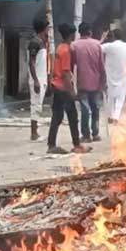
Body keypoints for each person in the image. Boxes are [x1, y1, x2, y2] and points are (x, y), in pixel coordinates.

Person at [48, 23, 92, 155]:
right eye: (74, 33)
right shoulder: (66, 50)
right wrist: (72, 92)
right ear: (70, 35)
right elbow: (66, 73)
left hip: (56, 85)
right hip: (63, 88)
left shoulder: (60, 47)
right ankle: (76, 145)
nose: (75, 35)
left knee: (57, 116)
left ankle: (51, 145)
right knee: (72, 117)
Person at [71, 22, 105, 143]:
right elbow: (102, 67)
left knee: (85, 109)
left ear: (79, 33)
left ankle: (86, 135)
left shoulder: (74, 45)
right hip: (96, 83)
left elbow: (71, 66)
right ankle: (95, 133)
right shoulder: (97, 45)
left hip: (82, 83)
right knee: (95, 108)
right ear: (90, 32)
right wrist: (103, 83)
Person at [28, 17, 51, 141]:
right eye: (47, 28)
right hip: (37, 79)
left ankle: (35, 132)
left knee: (38, 105)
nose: (49, 30)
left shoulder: (42, 42)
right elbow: (31, 63)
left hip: (42, 78)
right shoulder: (35, 42)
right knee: (35, 105)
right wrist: (36, 80)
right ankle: (33, 133)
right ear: (43, 29)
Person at [103, 27, 126, 124]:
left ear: (113, 36)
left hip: (111, 76)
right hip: (123, 75)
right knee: (121, 97)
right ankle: (116, 116)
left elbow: (97, 48)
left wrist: (103, 38)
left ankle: (110, 116)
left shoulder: (109, 46)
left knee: (110, 97)